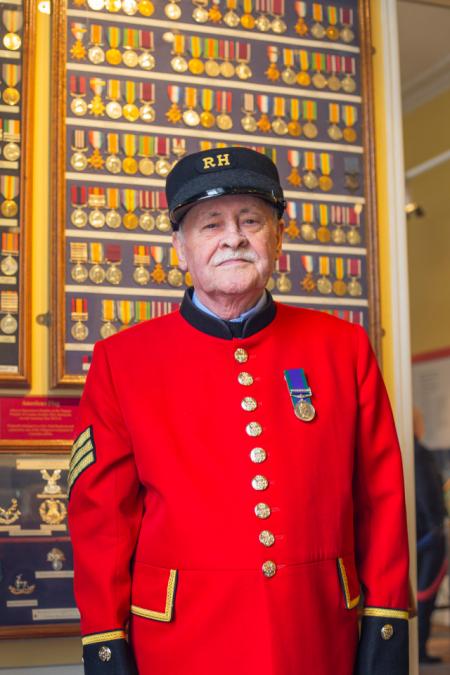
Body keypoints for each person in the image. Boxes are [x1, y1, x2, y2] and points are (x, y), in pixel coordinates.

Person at [68, 146, 410, 675]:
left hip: (318, 637)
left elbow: (381, 499)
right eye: (210, 224)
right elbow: (102, 520)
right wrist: (106, 642)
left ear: (279, 237)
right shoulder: (122, 361)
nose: (233, 238)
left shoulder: (342, 348)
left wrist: (386, 626)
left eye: (251, 220)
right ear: (180, 248)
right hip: (181, 645)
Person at [413, 409, 448, 664]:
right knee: (425, 597)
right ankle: (420, 651)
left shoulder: (407, 451)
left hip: (417, 537)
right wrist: (438, 526)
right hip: (429, 539)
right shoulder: (420, 454)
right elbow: (428, 496)